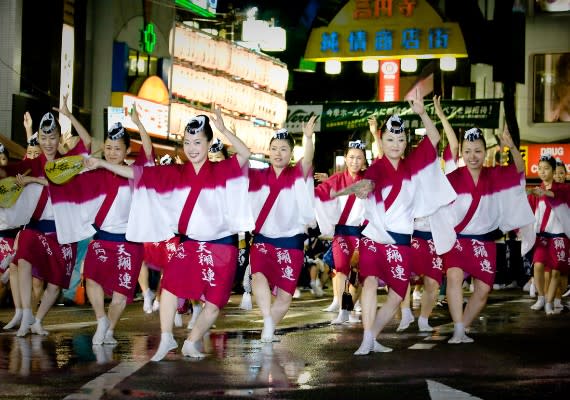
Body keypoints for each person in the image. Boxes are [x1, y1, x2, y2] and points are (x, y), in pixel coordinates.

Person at [86, 107, 253, 361]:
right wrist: (100, 162)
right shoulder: (175, 172)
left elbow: (245, 153)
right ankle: (166, 338)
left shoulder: (223, 169)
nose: (192, 148)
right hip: (190, 245)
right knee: (170, 286)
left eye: (198, 142)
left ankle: (191, 341)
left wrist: (224, 130)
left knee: (214, 305)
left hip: (222, 248)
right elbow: (136, 173)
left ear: (209, 143)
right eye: (187, 143)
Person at [333, 88, 457, 355]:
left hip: (401, 241)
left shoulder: (413, 164)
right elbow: (367, 183)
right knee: (367, 282)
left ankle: (372, 335)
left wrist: (422, 113)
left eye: (400, 139)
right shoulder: (377, 167)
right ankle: (367, 338)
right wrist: (358, 189)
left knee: (398, 293)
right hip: (375, 237)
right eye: (390, 139)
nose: (396, 144)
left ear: (405, 141)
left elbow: (434, 137)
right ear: (382, 140)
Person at [51, 104, 154, 345]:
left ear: (127, 150)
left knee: (121, 294)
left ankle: (109, 330)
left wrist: (139, 124)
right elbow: (68, 167)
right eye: (107, 147)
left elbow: (148, 152)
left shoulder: (136, 173)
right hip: (102, 239)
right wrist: (69, 116)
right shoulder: (94, 170)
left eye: (117, 148)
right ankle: (101, 320)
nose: (111, 152)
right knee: (91, 279)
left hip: (129, 243)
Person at [0, 108, 91, 337]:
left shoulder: (67, 163)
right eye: (44, 138)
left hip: (62, 231)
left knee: (56, 283)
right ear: (38, 139)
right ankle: (25, 313)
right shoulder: (31, 163)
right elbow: (5, 171)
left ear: (59, 138)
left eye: (52, 138)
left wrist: (69, 116)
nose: (48, 143)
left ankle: (38, 320)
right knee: (22, 258)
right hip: (36, 228)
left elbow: (88, 141)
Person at [443, 125, 534, 343]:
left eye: (477, 151)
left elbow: (519, 170)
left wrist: (511, 147)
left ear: (485, 152)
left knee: (483, 290)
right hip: (458, 240)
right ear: (462, 153)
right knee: (454, 278)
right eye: (467, 151)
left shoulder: (495, 175)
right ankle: (457, 328)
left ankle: (462, 327)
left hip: (484, 242)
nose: (472, 156)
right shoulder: (453, 177)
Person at [248, 116, 317, 342]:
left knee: (286, 296)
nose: (278, 153)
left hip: (291, 242)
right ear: (268, 151)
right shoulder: (256, 176)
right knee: (257, 276)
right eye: (274, 148)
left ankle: (268, 327)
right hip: (263, 240)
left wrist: (308, 137)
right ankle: (268, 321)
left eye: (284, 149)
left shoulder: (298, 173)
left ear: (291, 153)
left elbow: (307, 159)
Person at [397, 94, 460, 333]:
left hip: (433, 233)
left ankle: (424, 318)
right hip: (409, 232)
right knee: (401, 275)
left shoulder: (437, 166)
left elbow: (448, 144)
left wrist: (431, 114)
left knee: (433, 281)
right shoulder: (398, 170)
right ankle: (404, 312)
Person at [314, 138, 368, 324]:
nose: (355, 161)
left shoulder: (369, 181)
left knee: (358, 274)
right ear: (345, 158)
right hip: (342, 233)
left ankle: (351, 306)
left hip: (362, 234)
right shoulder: (336, 179)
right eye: (351, 157)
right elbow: (320, 193)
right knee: (341, 270)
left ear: (364, 160)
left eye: (359, 158)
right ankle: (343, 310)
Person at [526, 155, 570, 314]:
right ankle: (541, 298)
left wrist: (543, 192)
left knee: (557, 271)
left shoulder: (564, 189)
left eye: (547, 169)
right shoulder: (536, 191)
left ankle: (550, 303)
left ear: (553, 170)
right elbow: (528, 211)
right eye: (540, 169)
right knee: (538, 266)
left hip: (559, 236)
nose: (543, 172)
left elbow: (555, 194)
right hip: (542, 236)